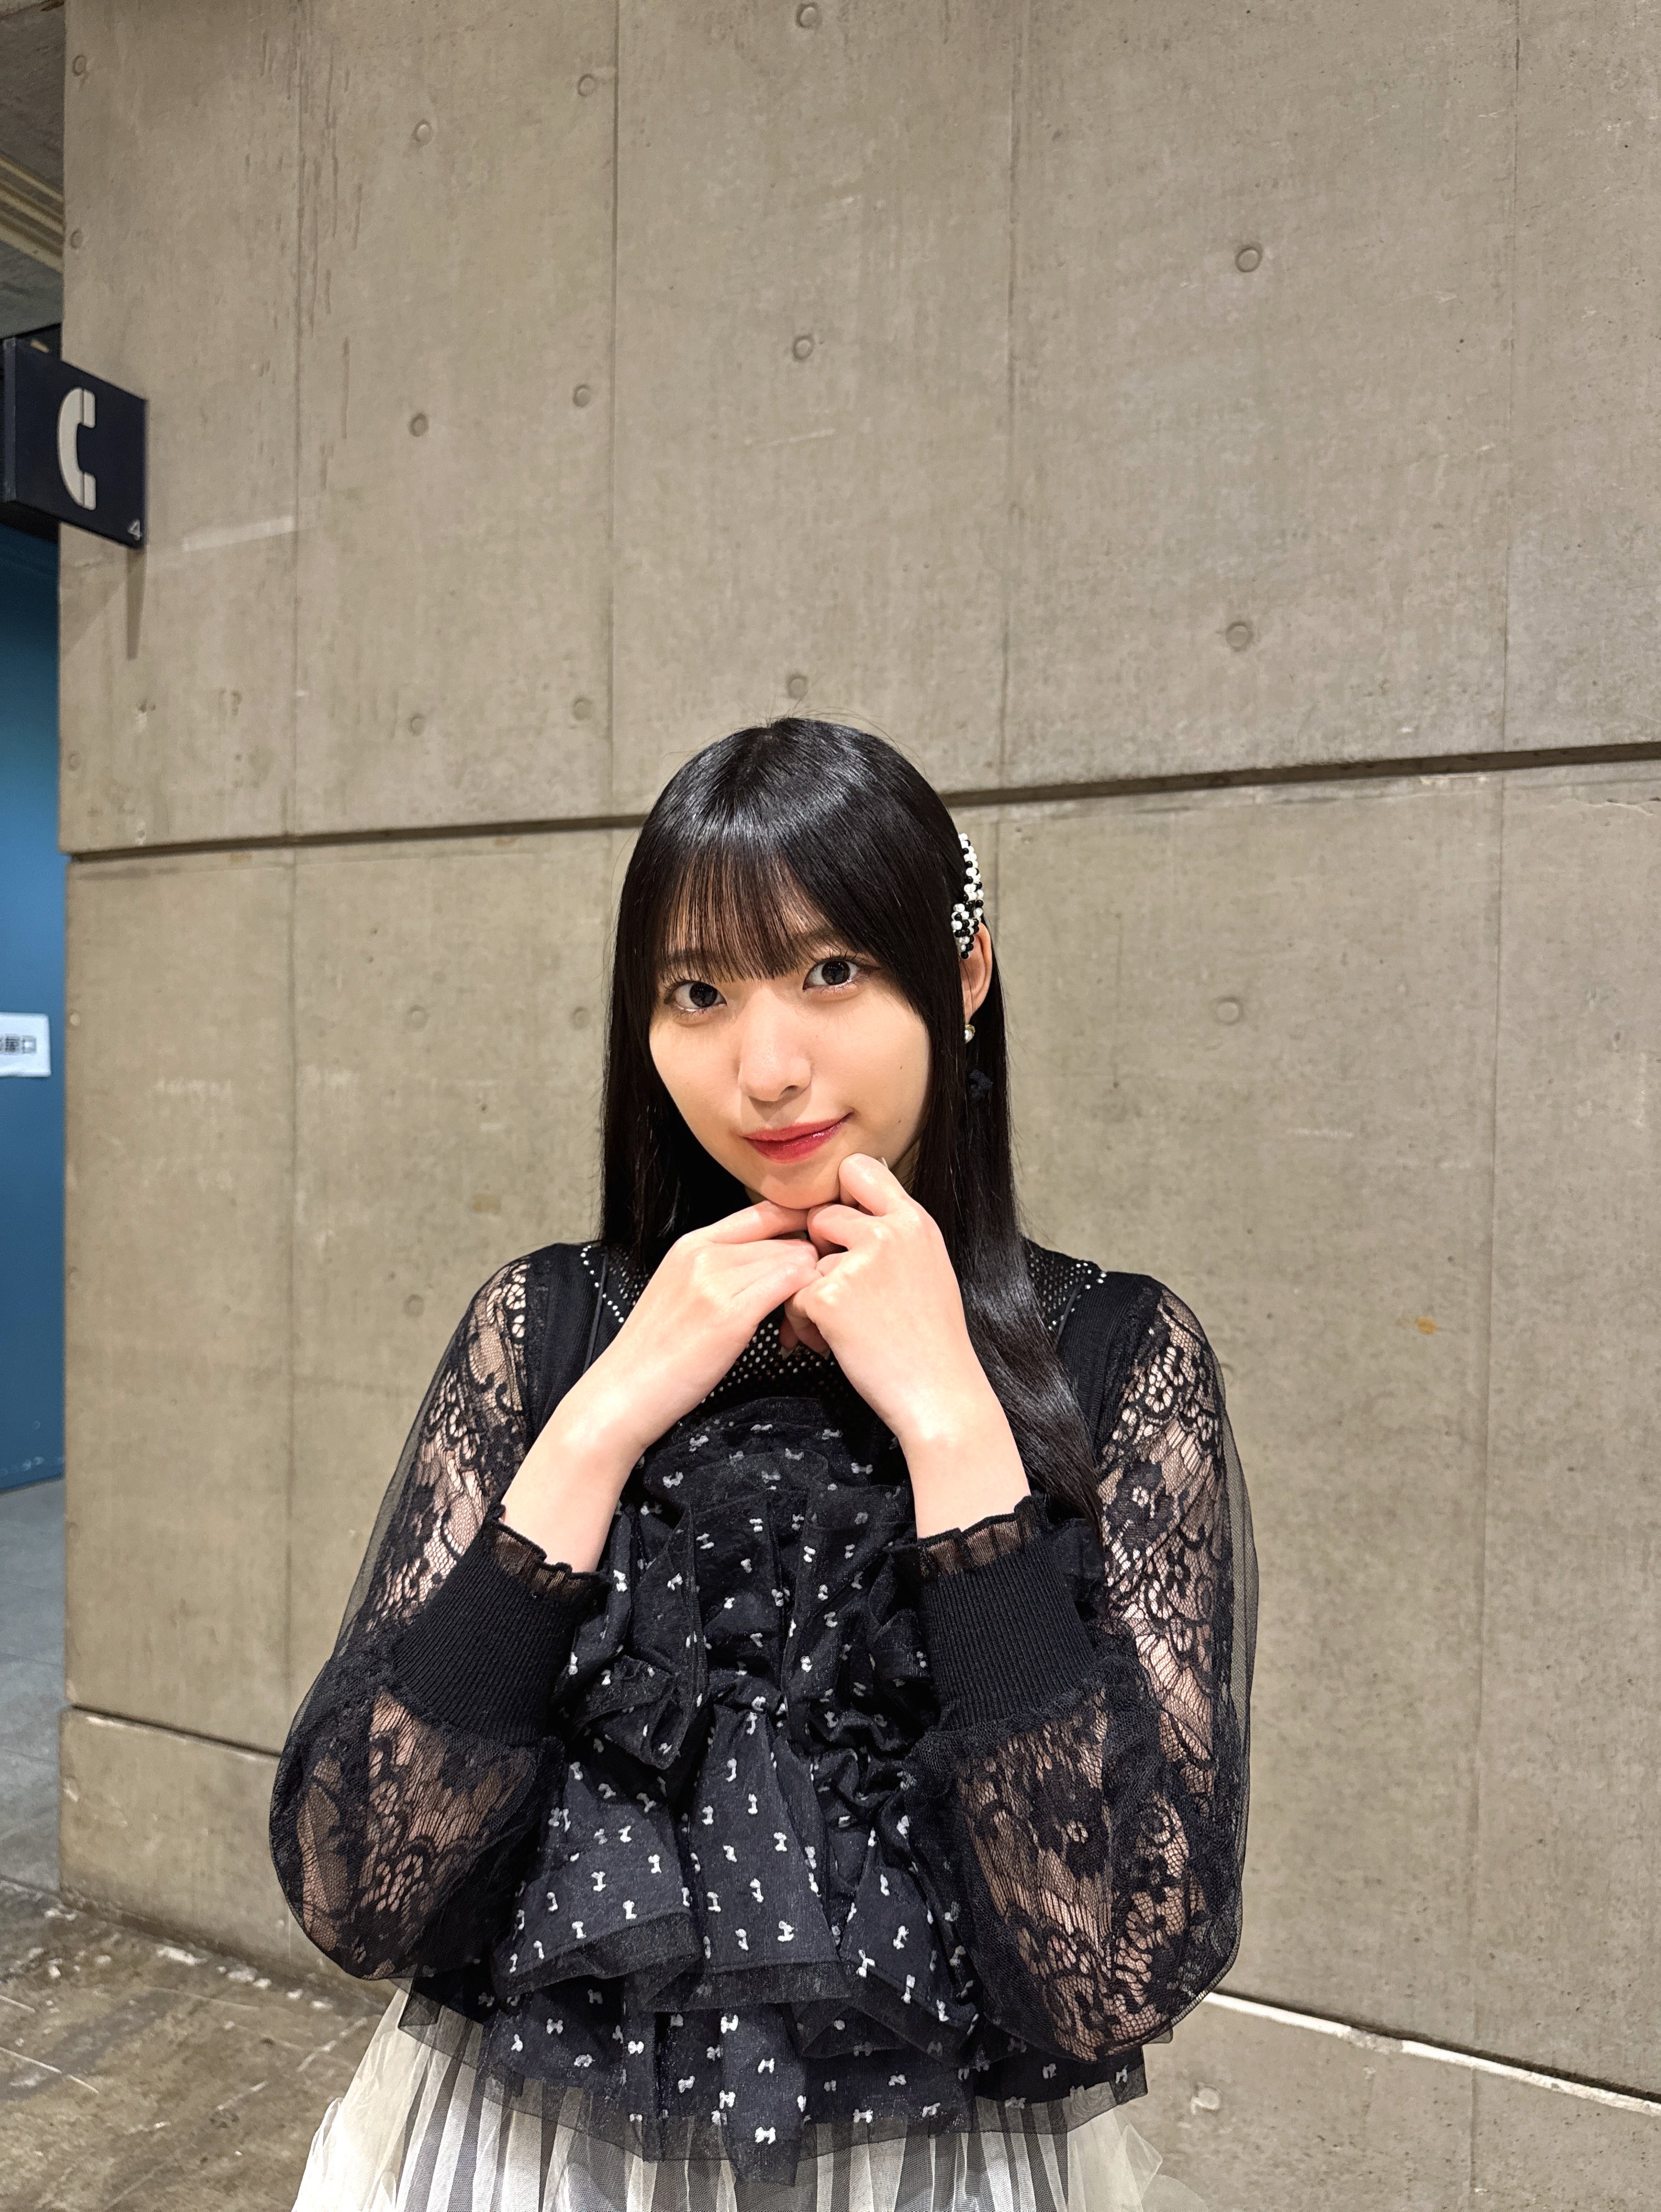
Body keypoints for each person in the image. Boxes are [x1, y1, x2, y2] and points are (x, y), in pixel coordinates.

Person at [271, 718, 1256, 2212]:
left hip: (937, 2170)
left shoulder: (1118, 1355)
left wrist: (952, 1426)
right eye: (699, 992)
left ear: (964, 975)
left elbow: (1111, 1968)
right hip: (520, 2155)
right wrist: (600, 1419)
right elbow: (360, 1890)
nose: (767, 1068)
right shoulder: (547, 1325)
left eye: (832, 971)